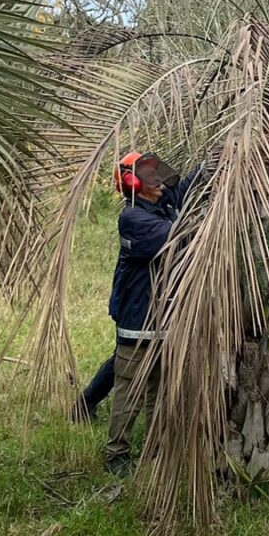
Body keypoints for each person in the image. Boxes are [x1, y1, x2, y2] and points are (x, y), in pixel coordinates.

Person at [78, 151, 199, 474]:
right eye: (148, 173)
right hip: (138, 321)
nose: (157, 177)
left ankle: (154, 450)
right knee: (129, 390)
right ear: (133, 183)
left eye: (156, 170)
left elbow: (190, 183)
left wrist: (219, 157)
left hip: (165, 321)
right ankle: (117, 454)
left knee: (158, 390)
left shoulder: (164, 202)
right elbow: (178, 238)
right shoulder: (133, 219)